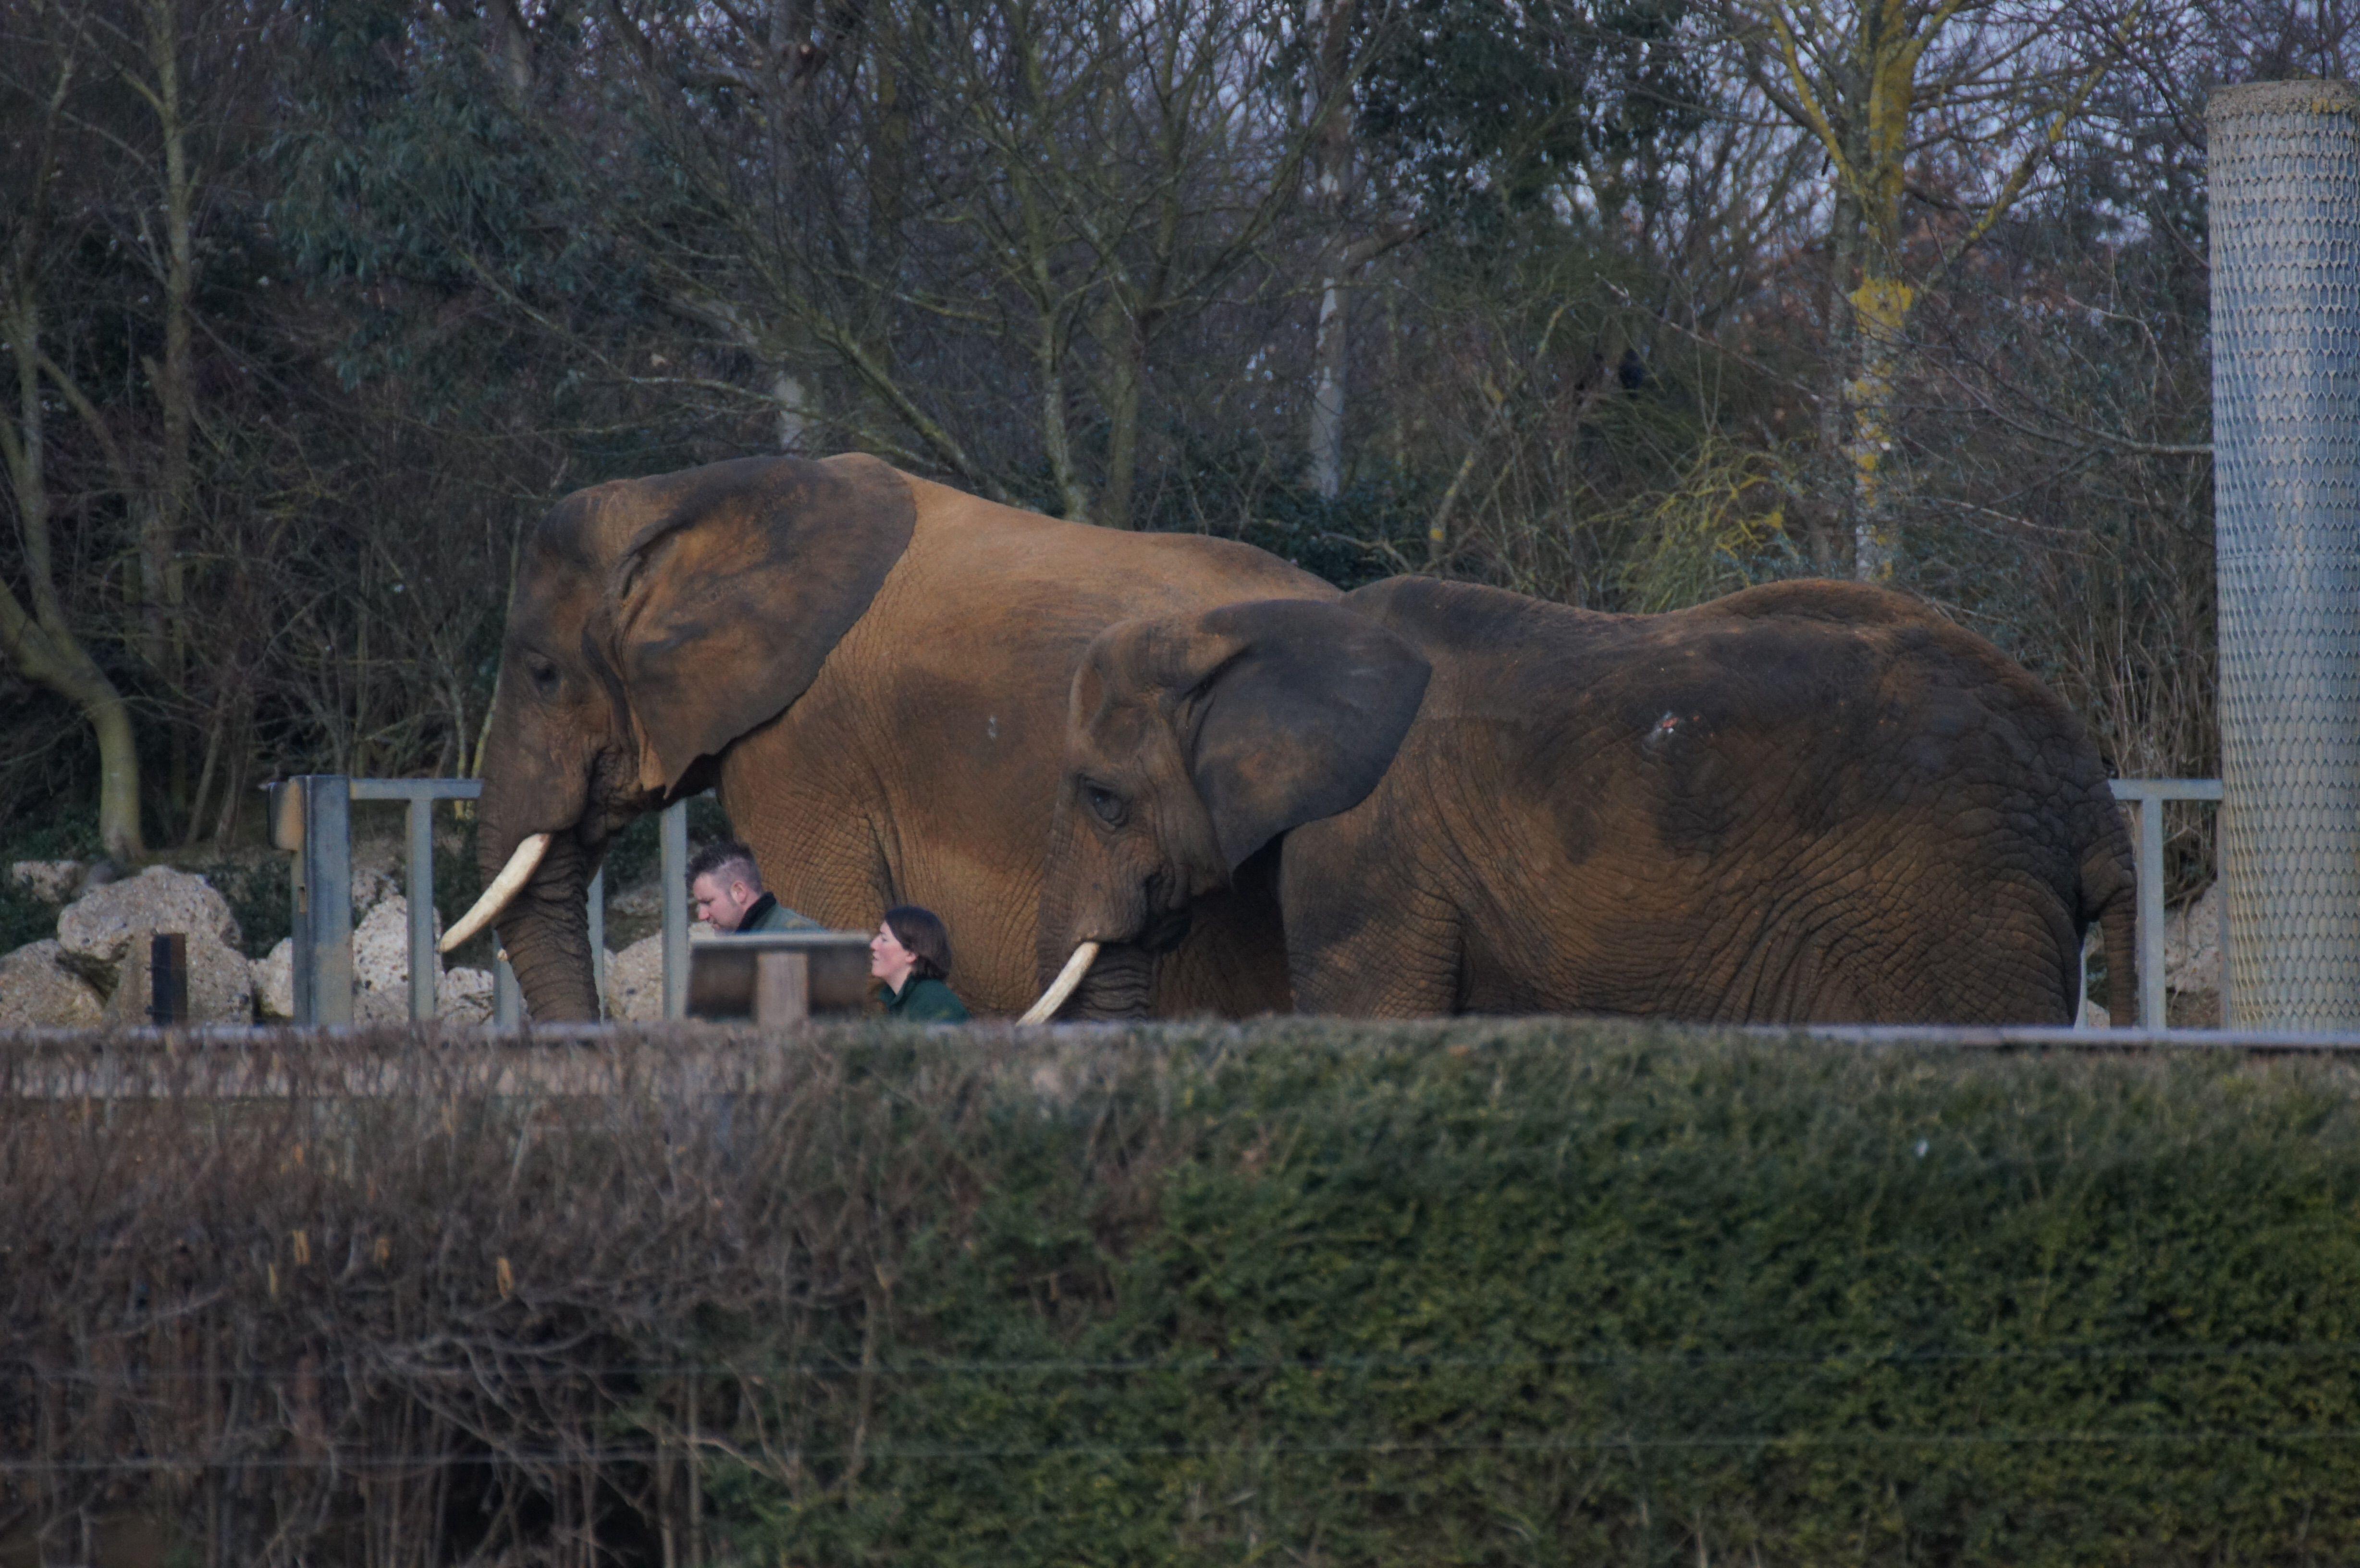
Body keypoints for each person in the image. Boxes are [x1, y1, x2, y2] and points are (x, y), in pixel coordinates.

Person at [687, 840, 821, 933]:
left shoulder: (794, 939)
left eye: (708, 902)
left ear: (739, 892)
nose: (702, 916)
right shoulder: (759, 939)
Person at [870, 905, 971, 1021]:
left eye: (884, 939)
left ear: (911, 954)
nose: (873, 944)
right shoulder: (900, 1000)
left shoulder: (934, 1003)